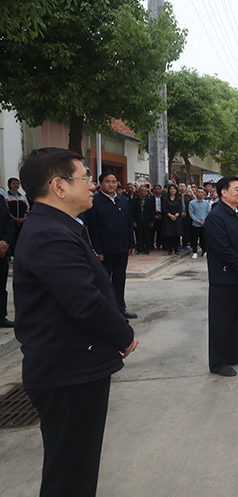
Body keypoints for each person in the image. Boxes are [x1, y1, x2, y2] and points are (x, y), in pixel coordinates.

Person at [14, 148, 137, 496]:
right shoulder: (49, 234)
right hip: (67, 371)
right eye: (85, 177)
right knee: (70, 473)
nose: (93, 186)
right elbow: (85, 302)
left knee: (76, 467)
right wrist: (124, 336)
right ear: (59, 186)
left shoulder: (57, 226)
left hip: (73, 366)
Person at [204, 176, 238, 377]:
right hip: (224, 278)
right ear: (223, 193)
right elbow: (222, 249)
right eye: (236, 189)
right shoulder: (216, 216)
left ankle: (233, 354)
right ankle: (218, 362)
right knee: (221, 321)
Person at [84, 172, 137, 319]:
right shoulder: (94, 201)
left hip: (122, 247)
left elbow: (128, 224)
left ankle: (120, 308)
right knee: (104, 280)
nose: (111, 184)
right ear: (101, 184)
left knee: (119, 279)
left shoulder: (123, 200)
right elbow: (92, 228)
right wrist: (97, 250)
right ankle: (106, 311)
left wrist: (131, 243)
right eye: (108, 181)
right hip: (104, 249)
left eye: (114, 181)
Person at [0, 196, 14, 328]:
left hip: (1, 252)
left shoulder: (0, 199)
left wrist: (6, 241)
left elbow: (9, 222)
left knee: (1, 287)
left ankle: (1, 317)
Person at [6, 177, 28, 257]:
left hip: (22, 222)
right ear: (9, 185)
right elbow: (7, 210)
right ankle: (12, 255)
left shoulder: (22, 197)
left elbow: (27, 208)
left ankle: (22, 254)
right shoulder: (7, 197)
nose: (16, 185)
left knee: (21, 237)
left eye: (17, 183)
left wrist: (24, 218)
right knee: (12, 238)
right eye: (14, 183)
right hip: (12, 222)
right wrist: (15, 219)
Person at [131, 185, 156, 254]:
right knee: (139, 235)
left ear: (146, 192)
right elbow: (132, 211)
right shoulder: (135, 200)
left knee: (147, 236)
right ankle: (140, 249)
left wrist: (152, 221)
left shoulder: (150, 199)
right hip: (138, 220)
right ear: (138, 192)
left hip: (147, 220)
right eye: (141, 191)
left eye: (144, 191)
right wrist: (134, 221)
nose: (142, 192)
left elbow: (152, 211)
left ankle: (147, 249)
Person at [189, 188, 212, 259]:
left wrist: (205, 221)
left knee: (204, 239)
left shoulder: (206, 203)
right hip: (195, 224)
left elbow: (208, 212)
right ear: (196, 193)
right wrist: (198, 221)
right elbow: (191, 213)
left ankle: (204, 251)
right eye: (199, 192)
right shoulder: (192, 203)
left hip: (204, 224)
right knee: (194, 239)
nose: (200, 194)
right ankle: (194, 252)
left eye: (202, 192)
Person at [162, 184, 183, 255]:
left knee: (176, 235)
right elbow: (164, 209)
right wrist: (170, 215)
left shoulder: (179, 199)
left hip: (177, 219)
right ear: (169, 190)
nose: (172, 190)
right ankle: (170, 249)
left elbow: (180, 209)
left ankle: (176, 249)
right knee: (169, 234)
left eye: (174, 189)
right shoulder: (165, 199)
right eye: (171, 189)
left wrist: (176, 216)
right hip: (168, 218)